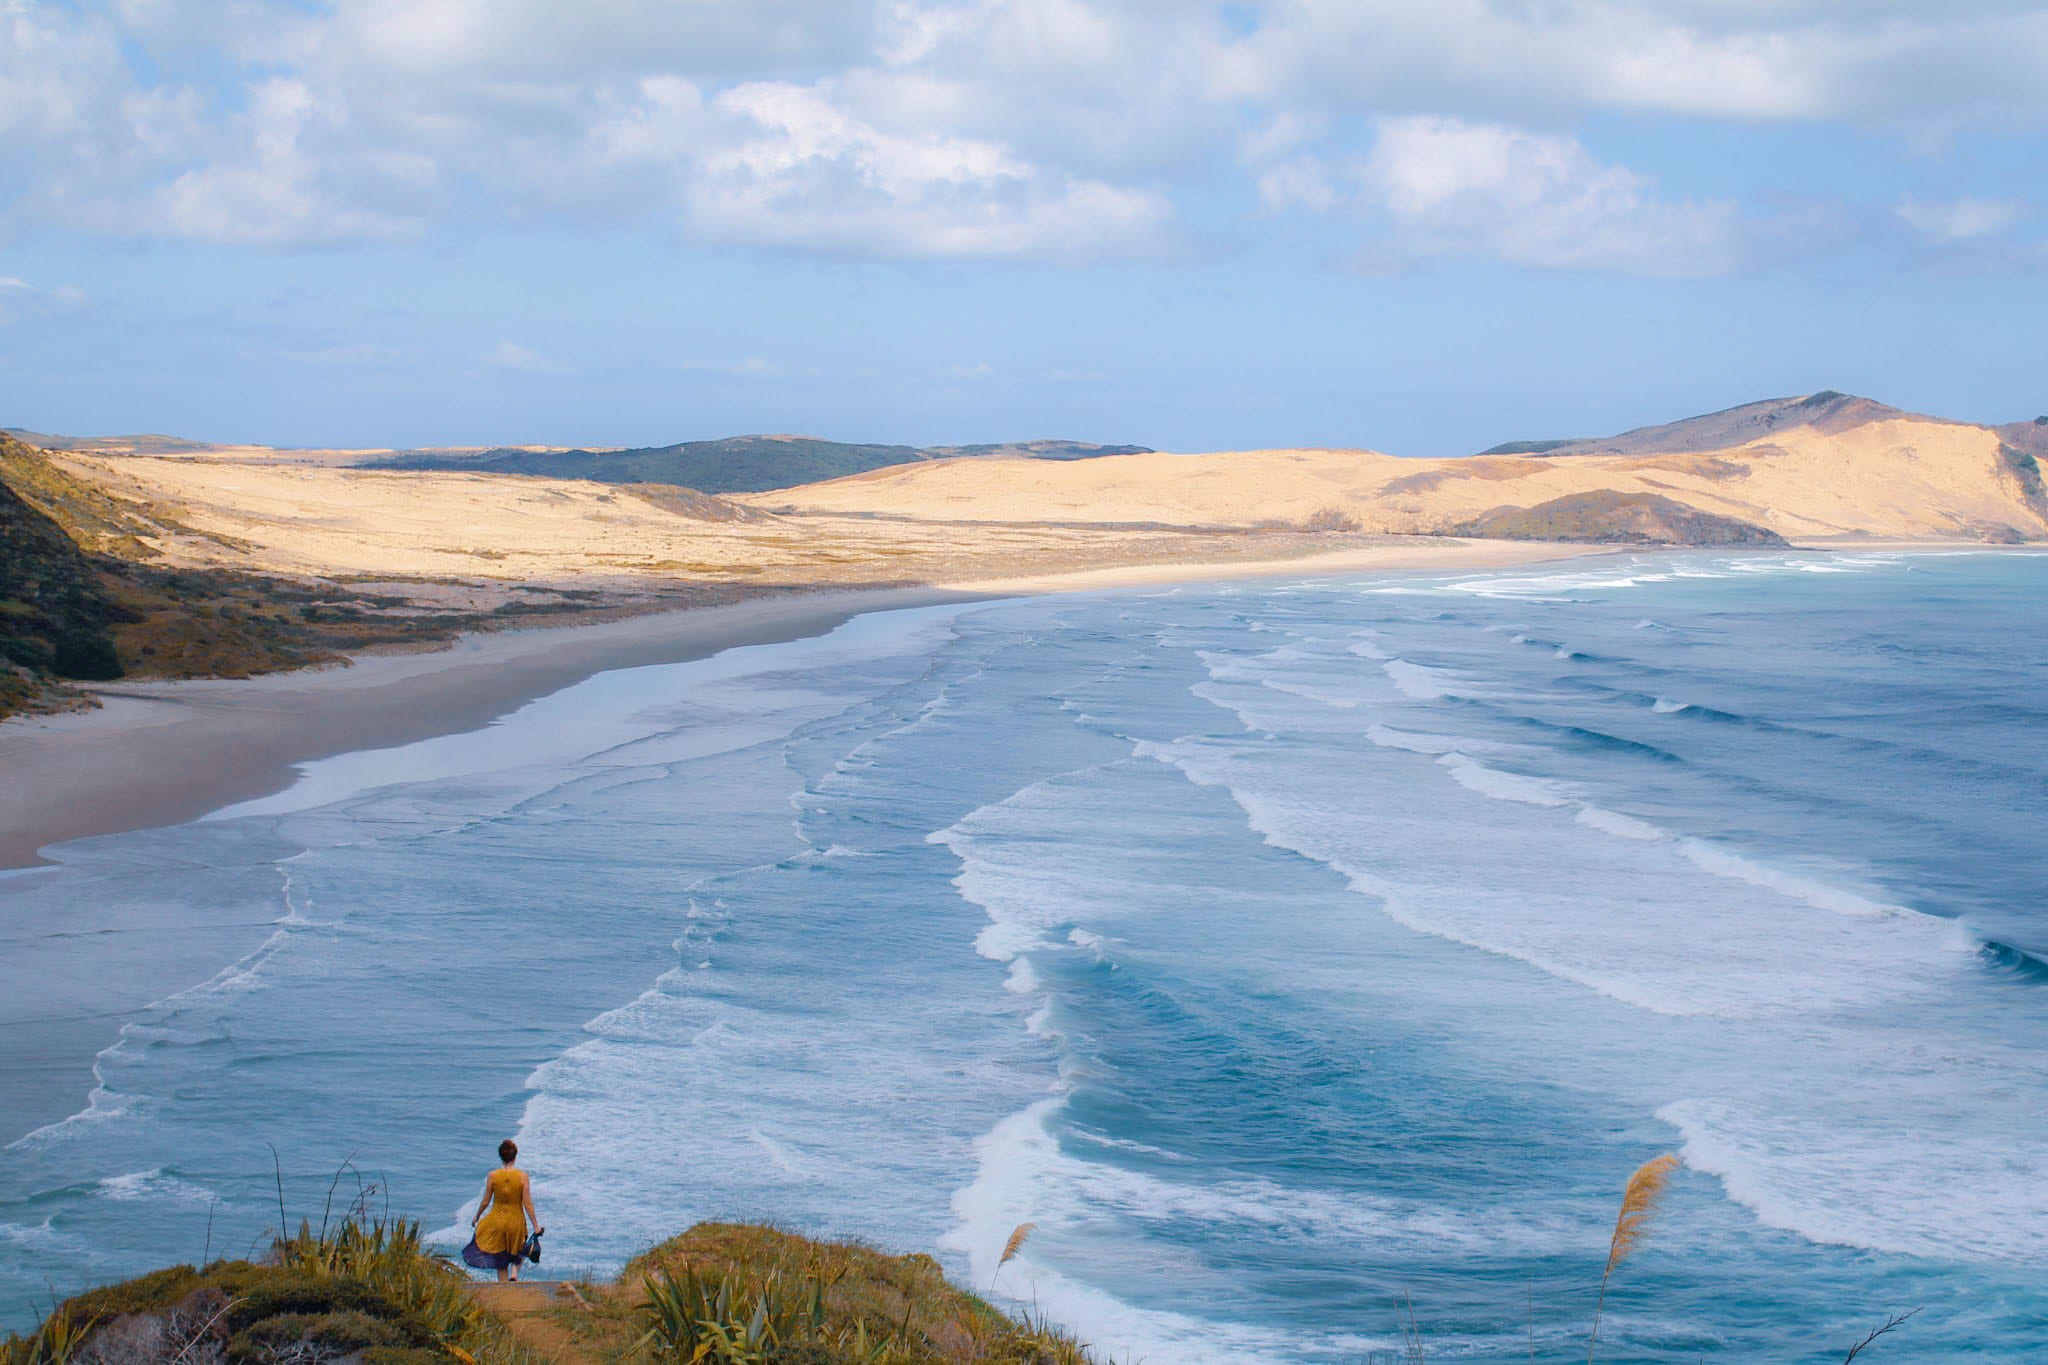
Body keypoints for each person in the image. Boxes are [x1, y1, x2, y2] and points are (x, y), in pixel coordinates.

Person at [470, 1139, 539, 1282]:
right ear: (515, 1156)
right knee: (520, 1250)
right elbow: (527, 1203)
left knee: (500, 1259)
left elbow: (485, 1201)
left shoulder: (493, 1176)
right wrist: (535, 1225)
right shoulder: (522, 1177)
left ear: (501, 1157)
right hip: (516, 1221)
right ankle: (514, 1273)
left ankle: (504, 1289)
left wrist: (477, 1217)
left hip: (497, 1221)